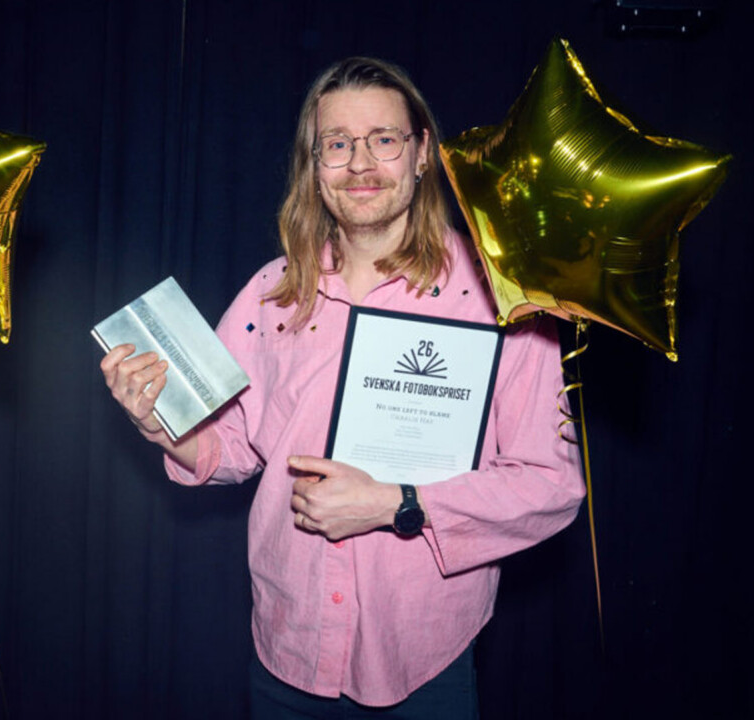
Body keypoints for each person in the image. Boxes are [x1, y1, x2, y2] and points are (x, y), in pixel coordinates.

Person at [100, 57, 584, 718]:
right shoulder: (270, 294)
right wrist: (159, 420)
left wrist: (397, 504)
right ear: (314, 164)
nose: (360, 163)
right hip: (288, 646)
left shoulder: (501, 300)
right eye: (336, 144)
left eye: (383, 139)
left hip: (421, 664)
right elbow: (232, 448)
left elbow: (550, 486)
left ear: (421, 153)